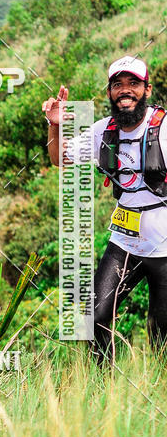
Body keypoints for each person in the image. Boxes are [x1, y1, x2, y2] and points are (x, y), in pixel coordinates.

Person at [43, 55, 167, 363]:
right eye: (117, 85)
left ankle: (157, 396)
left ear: (147, 90)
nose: (125, 91)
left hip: (164, 246)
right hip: (125, 242)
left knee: (161, 332)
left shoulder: (163, 129)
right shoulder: (103, 131)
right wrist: (54, 125)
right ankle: (105, 390)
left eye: (133, 84)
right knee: (94, 317)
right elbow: (60, 159)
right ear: (110, 92)